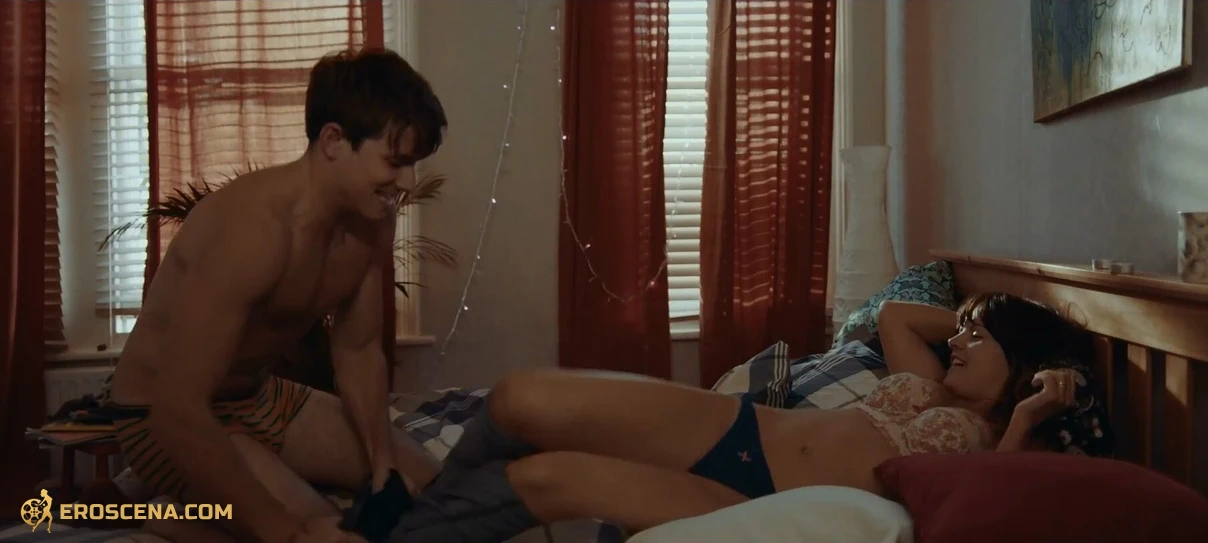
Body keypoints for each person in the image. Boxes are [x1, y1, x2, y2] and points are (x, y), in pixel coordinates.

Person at [389, 292, 1110, 542]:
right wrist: (975, 314)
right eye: (961, 330)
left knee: (548, 479)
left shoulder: (1004, 442)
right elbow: (895, 313)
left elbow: (986, 509)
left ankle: (388, 533)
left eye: (977, 338)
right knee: (519, 398)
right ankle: (409, 503)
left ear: (1022, 361)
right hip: (739, 428)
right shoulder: (925, 381)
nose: (956, 340)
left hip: (756, 501)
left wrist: (1031, 406)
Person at [103, 48, 446, 543]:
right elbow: (176, 409)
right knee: (316, 529)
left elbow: (358, 348)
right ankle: (167, 515)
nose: (408, 184)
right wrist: (287, 533)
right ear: (333, 140)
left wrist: (382, 467)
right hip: (159, 414)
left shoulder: (372, 222)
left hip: (260, 397)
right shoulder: (252, 231)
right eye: (395, 162)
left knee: (433, 489)